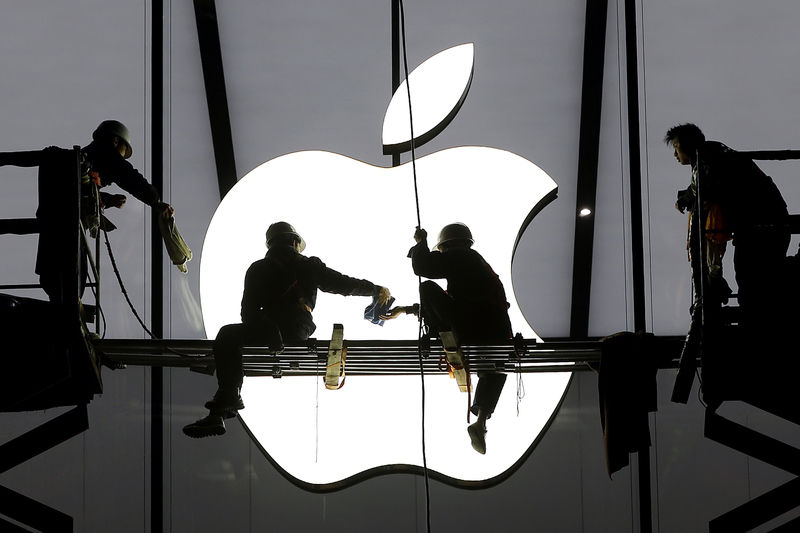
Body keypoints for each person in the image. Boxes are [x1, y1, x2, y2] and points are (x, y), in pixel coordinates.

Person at [183, 221, 392, 438]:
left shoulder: (258, 269)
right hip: (296, 330)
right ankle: (222, 406)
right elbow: (342, 284)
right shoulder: (308, 265)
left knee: (228, 335)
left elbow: (248, 314)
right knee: (232, 335)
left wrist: (269, 329)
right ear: (294, 242)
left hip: (267, 330)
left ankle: (228, 397)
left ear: (270, 245)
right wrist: (374, 289)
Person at [0, 120, 174, 302]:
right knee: (72, 282)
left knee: (60, 282)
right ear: (115, 141)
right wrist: (155, 202)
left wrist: (108, 199)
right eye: (123, 151)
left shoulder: (78, 163)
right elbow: (130, 178)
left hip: (54, 224)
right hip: (67, 228)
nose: (122, 157)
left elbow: (83, 191)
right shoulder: (107, 155)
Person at [383, 223, 512, 454]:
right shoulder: (477, 265)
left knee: (427, 288)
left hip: (471, 324)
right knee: (494, 369)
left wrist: (420, 242)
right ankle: (481, 422)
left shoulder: (461, 255)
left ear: (447, 246)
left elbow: (424, 268)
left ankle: (440, 335)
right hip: (497, 332)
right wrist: (407, 310)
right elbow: (450, 300)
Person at [664, 123, 790, 332]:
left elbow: (702, 186)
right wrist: (688, 196)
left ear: (687, 145)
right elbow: (703, 185)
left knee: (750, 279)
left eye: (676, 148)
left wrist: (686, 198)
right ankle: (763, 323)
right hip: (770, 222)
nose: (675, 155)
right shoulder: (717, 153)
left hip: (759, 227)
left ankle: (758, 328)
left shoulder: (706, 158)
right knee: (761, 278)